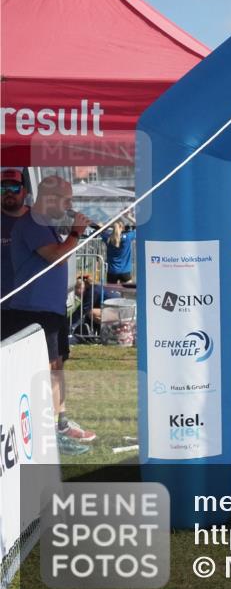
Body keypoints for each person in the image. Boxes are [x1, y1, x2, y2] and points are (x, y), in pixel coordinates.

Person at [1, 176, 96, 455]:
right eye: (66, 200)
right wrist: (76, 233)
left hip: (48, 311)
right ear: (49, 198)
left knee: (55, 369)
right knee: (47, 372)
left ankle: (57, 425)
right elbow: (56, 256)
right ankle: (50, 431)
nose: (69, 205)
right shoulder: (31, 224)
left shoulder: (45, 225)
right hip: (31, 311)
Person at [1, 168, 30, 300]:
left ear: (24, 192)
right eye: (3, 188)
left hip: (32, 303)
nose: (9, 193)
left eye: (14, 187)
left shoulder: (38, 220)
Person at [101, 217, 136, 284]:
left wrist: (109, 224)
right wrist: (128, 216)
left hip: (112, 271)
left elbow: (101, 230)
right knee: (127, 293)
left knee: (111, 293)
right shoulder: (128, 237)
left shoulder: (108, 238)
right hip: (125, 271)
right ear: (122, 227)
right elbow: (139, 227)